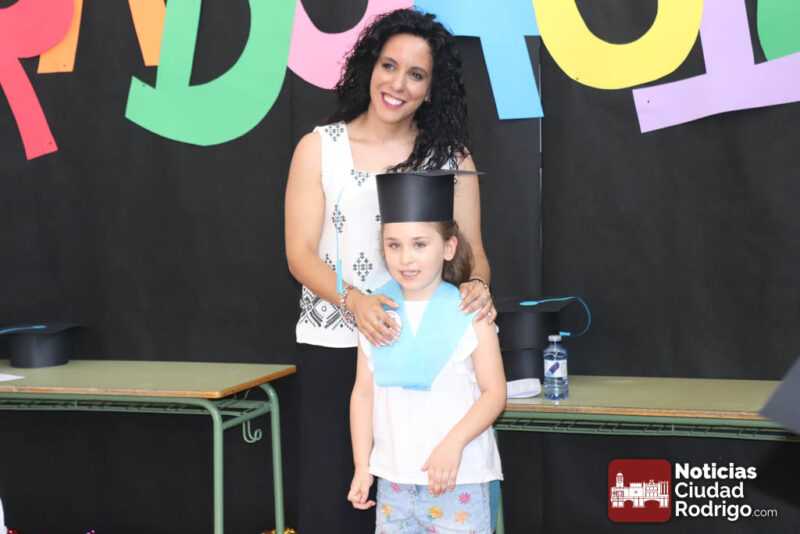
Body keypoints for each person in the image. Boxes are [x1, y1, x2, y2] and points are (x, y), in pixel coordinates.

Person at [284, 8, 495, 531]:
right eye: (389, 65)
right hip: (336, 347)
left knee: (425, 502)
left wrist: (478, 288)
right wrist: (355, 303)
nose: (398, 84)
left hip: (428, 357)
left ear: (431, 89)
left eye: (416, 74)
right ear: (370, 67)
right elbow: (300, 254)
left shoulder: (451, 159)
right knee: (335, 499)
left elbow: (473, 254)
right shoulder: (319, 148)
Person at [348, 170, 505, 533]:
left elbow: (494, 393)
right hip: (394, 480)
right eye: (394, 245)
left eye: (420, 244)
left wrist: (453, 444)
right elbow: (363, 393)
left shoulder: (471, 311)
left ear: (448, 247)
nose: (406, 258)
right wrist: (362, 466)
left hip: (459, 477)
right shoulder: (376, 312)